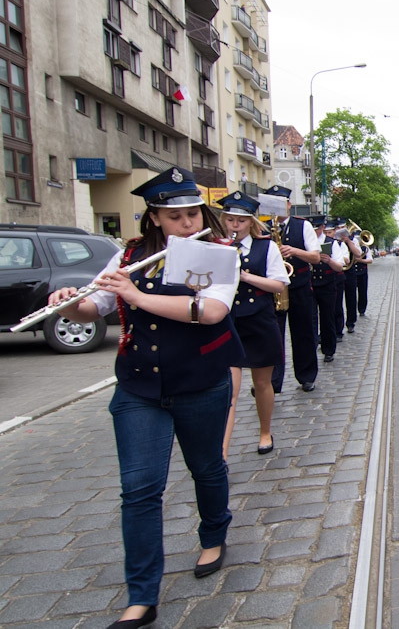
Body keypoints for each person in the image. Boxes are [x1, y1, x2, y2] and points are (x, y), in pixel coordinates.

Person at [49, 167, 241, 628]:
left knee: (207, 467)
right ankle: (141, 596)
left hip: (199, 382)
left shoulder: (219, 255)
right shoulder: (127, 256)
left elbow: (212, 311)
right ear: (154, 217)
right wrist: (70, 303)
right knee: (138, 490)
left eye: (194, 213)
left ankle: (213, 535)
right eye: (176, 217)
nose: (188, 224)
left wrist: (136, 295)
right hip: (139, 387)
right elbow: (93, 307)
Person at [218, 192, 289, 459]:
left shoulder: (266, 247)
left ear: (250, 223)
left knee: (262, 383)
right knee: (230, 389)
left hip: (259, 321)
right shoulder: (217, 247)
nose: (235, 225)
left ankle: (265, 432)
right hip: (227, 322)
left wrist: (245, 276)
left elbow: (278, 284)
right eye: (230, 219)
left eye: (241, 220)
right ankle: (222, 452)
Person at [266, 185, 320, 393]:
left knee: (303, 332)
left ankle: (306, 376)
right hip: (273, 289)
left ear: (289, 205)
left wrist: (294, 251)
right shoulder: (263, 228)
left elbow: (315, 257)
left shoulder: (302, 226)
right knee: (273, 336)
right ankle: (272, 381)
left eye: (281, 204)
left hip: (299, 286)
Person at [309, 216, 339, 363]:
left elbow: (340, 266)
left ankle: (328, 349)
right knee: (310, 318)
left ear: (322, 228)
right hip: (309, 284)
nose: (315, 231)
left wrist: (330, 261)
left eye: (317, 228)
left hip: (327, 284)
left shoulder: (331, 243)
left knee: (327, 317)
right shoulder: (305, 242)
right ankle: (312, 346)